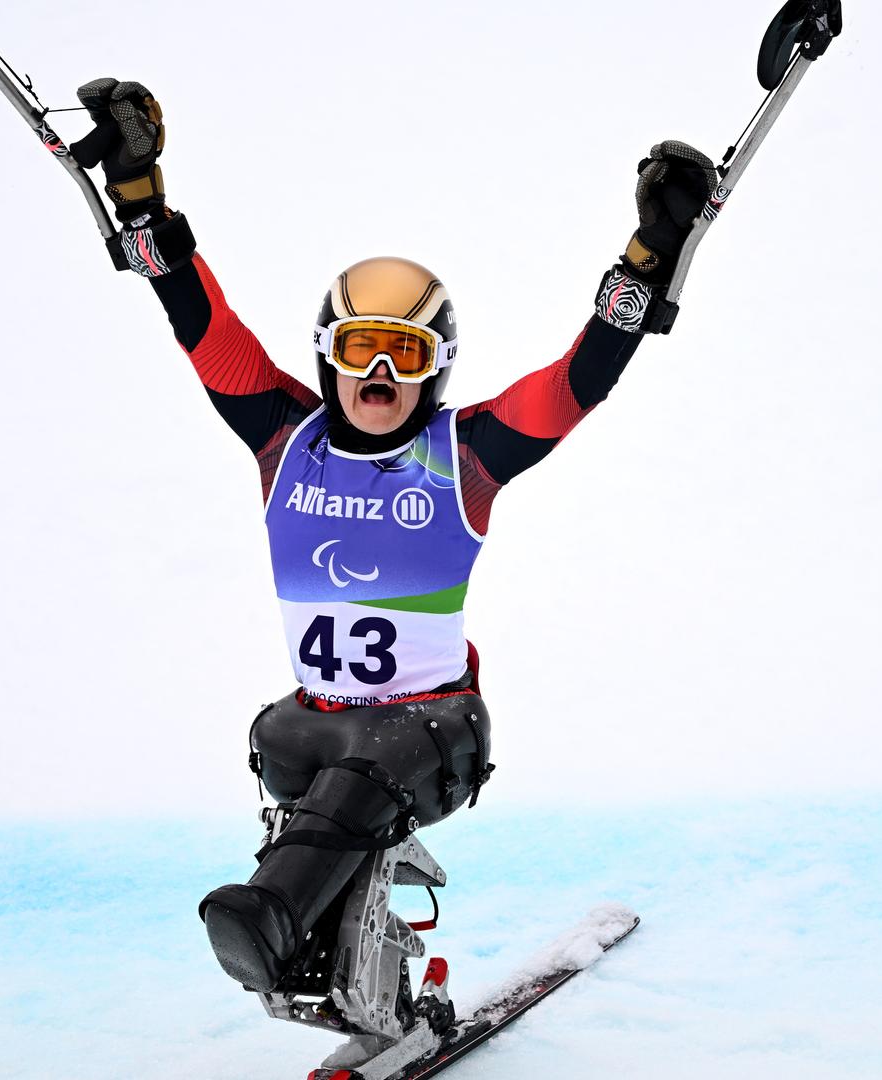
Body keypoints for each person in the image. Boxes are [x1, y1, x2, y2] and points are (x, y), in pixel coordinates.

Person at [68, 76, 716, 1007]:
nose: (378, 371)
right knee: (297, 750)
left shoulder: (465, 456)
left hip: (434, 732)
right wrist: (140, 194)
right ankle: (323, 961)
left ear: (436, 367)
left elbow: (574, 383)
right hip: (314, 723)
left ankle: (267, 915)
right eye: (360, 348)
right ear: (328, 354)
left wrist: (649, 255)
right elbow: (201, 324)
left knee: (373, 763)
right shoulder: (284, 439)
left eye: (404, 353)